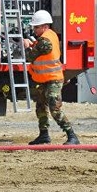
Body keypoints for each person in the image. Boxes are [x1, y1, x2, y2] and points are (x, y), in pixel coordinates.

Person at [22, 9, 80, 145]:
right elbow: (40, 49)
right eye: (34, 27)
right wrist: (33, 45)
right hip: (44, 80)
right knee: (41, 107)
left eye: (37, 27)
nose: (34, 30)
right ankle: (44, 135)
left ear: (45, 26)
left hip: (53, 79)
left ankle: (72, 136)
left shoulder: (45, 40)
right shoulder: (48, 37)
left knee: (54, 108)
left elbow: (30, 56)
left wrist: (26, 47)